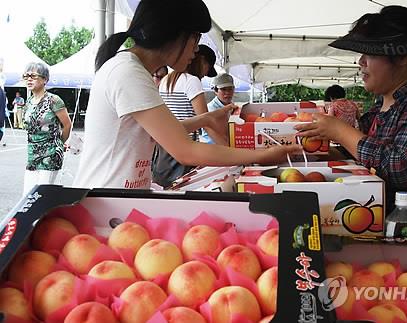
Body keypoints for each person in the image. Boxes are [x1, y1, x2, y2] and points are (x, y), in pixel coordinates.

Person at [73, 0, 297, 190]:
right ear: (174, 34)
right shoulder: (127, 72)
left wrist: (205, 119)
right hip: (104, 199)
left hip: (117, 199)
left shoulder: (134, 70)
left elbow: (164, 131)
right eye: (196, 39)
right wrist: (261, 156)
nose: (196, 50)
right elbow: (185, 150)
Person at [295, 5, 407, 241]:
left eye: (370, 54)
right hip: (373, 232)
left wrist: (340, 131)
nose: (360, 62)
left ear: (403, 56)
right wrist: (325, 152)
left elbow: (401, 168)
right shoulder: (381, 106)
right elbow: (367, 160)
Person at [152, 44, 222, 187]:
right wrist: (228, 149)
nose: (204, 74)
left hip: (164, 152)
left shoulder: (166, 80)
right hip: (183, 153)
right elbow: (205, 121)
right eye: (207, 68)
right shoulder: (192, 81)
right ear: (202, 61)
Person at [22, 62, 72, 194]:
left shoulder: (54, 100)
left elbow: (67, 125)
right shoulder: (28, 102)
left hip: (50, 155)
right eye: (26, 76)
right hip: (32, 155)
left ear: (45, 79)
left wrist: (59, 144)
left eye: (33, 76)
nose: (29, 79)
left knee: (42, 196)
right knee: (28, 196)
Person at [199, 73, 235, 144]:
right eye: (223, 89)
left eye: (230, 89)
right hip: (212, 148)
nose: (227, 93)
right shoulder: (211, 109)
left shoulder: (233, 107)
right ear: (215, 91)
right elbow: (221, 134)